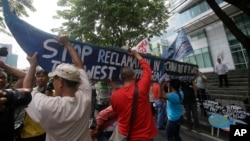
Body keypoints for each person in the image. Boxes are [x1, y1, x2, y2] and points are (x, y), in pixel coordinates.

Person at [23, 35, 92, 141]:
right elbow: (79, 65)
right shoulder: (86, 96)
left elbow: (26, 91)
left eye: (53, 79)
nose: (52, 82)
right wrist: (67, 44)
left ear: (60, 82)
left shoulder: (48, 105)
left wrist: (33, 65)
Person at [109, 50, 157, 141]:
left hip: (126, 135)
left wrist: (112, 86)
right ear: (134, 76)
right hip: (145, 135)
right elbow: (147, 69)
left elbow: (116, 112)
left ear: (121, 79)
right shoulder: (142, 88)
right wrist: (136, 55)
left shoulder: (114, 96)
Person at [0, 61, 31, 141]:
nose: (1, 80)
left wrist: (4, 65)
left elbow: (24, 76)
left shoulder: (11, 94)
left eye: (3, 78)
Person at [19, 69, 51, 141]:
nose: (40, 78)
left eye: (43, 76)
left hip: (46, 131)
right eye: (38, 76)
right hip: (29, 131)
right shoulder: (30, 91)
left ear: (48, 78)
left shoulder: (54, 93)